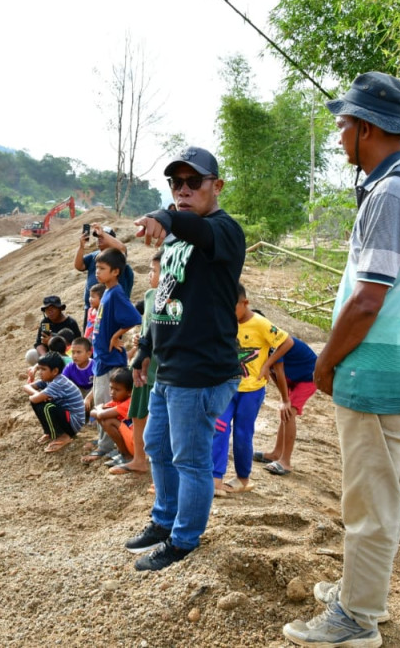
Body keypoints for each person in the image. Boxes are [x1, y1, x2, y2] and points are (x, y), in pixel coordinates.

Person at [284, 72, 400, 647]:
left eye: (344, 125)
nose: (338, 137)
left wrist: (325, 361)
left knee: (369, 501)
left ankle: (357, 618)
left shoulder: (389, 194)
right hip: (399, 369)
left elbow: (368, 299)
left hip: (374, 372)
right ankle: (362, 591)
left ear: (367, 129)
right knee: (381, 492)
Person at [125, 146, 245, 572]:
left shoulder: (224, 230)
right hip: (169, 368)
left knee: (190, 461)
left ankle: (184, 540)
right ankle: (164, 520)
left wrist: (168, 216)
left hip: (202, 371)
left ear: (217, 185)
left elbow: (198, 230)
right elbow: (165, 296)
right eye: (176, 183)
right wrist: (146, 348)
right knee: (157, 445)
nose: (183, 190)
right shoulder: (177, 234)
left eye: (194, 182)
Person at [212, 284, 294, 496]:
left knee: (242, 433)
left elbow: (287, 342)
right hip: (227, 386)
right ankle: (216, 478)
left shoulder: (260, 323)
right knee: (219, 426)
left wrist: (267, 364)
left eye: (231, 308)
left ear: (245, 303)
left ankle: (243, 478)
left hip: (252, 390)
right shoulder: (225, 322)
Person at [82, 248, 141, 464]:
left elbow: (134, 318)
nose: (97, 272)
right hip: (101, 359)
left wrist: (117, 336)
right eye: (96, 268)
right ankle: (103, 443)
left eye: (102, 268)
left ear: (115, 271)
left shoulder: (116, 293)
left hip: (111, 360)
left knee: (107, 404)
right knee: (100, 401)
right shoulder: (106, 292)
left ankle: (107, 447)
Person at [116, 250, 163, 476]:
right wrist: (139, 340)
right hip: (143, 368)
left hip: (161, 370)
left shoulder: (176, 300)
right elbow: (148, 328)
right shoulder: (150, 295)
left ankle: (160, 467)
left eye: (154, 270)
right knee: (138, 413)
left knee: (160, 419)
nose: (150, 275)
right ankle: (139, 459)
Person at [252, 333, 317, 477]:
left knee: (289, 413)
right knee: (284, 412)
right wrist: (284, 396)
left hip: (307, 379)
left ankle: (285, 461)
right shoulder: (255, 345)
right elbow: (272, 372)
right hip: (292, 377)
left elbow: (279, 369)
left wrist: (286, 401)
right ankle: (276, 454)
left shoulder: (274, 342)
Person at [22, 352, 85, 453]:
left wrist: (38, 396)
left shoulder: (58, 383)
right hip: (67, 417)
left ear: (55, 371)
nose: (40, 372)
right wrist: (38, 394)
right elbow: (26, 387)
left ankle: (64, 436)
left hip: (74, 422)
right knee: (41, 403)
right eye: (39, 369)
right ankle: (50, 433)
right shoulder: (49, 379)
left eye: (43, 369)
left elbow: (33, 399)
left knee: (47, 407)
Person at [75, 223, 134, 331]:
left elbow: (122, 248)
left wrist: (102, 233)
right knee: (90, 337)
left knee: (108, 337)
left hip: (111, 309)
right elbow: (79, 266)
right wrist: (81, 246)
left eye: (102, 237)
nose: (99, 239)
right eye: (98, 237)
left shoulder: (118, 256)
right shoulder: (95, 255)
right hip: (91, 308)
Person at [90, 368, 134, 464]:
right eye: (111, 388)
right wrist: (99, 410)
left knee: (109, 421)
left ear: (129, 392)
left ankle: (127, 456)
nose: (112, 392)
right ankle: (123, 452)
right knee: (104, 419)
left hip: (136, 444)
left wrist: (99, 409)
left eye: (117, 390)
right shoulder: (117, 401)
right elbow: (92, 412)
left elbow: (100, 413)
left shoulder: (129, 403)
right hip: (131, 441)